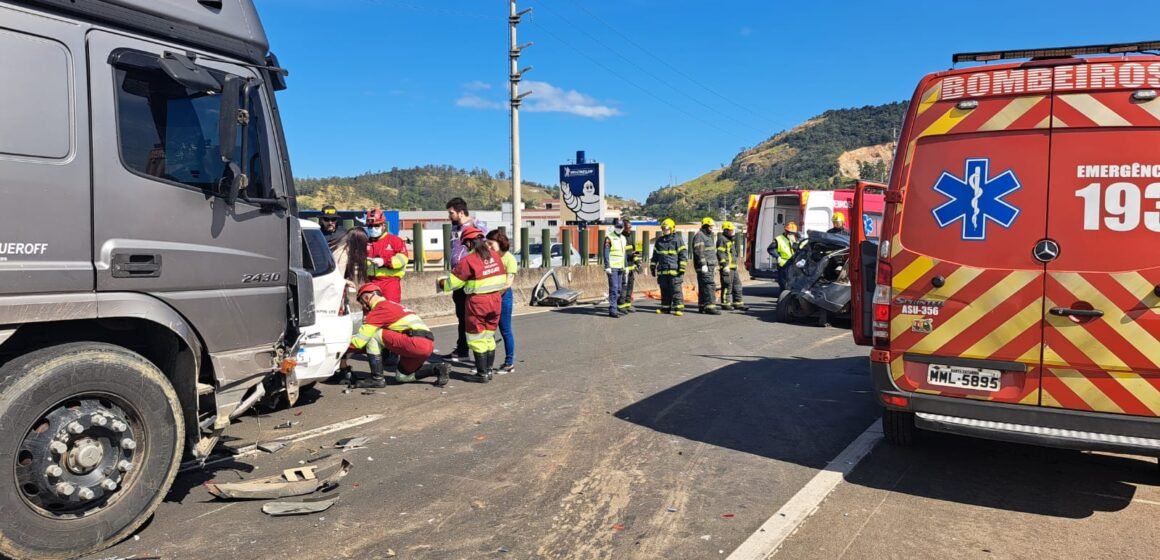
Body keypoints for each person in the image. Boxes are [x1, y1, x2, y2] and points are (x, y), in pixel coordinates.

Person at [347, 284, 450, 389]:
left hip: (415, 342)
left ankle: (377, 379)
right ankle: (438, 368)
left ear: (366, 298)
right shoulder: (394, 305)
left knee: (373, 335)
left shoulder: (379, 309)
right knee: (402, 377)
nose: (363, 307)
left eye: (361, 303)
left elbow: (359, 342)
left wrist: (339, 348)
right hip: (426, 343)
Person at [438, 226, 505, 382]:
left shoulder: (468, 260)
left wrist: (441, 283)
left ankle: (481, 374)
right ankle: (488, 371)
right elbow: (502, 278)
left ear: (468, 243)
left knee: (476, 337)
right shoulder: (495, 256)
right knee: (489, 336)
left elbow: (452, 283)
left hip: (478, 303)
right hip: (495, 301)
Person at [443, 197, 488, 363]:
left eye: (451, 213)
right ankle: (462, 348)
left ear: (461, 212)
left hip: (470, 277)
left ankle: (475, 351)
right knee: (461, 315)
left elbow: (486, 248)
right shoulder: (455, 228)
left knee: (471, 316)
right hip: (457, 275)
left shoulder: (477, 226)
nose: (449, 216)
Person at [330, 227, 369, 382]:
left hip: (338, 298)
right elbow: (335, 277)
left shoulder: (341, 249)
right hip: (335, 300)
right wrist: (346, 282)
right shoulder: (342, 253)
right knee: (343, 333)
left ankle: (342, 366)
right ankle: (342, 367)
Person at [486, 229, 517, 374]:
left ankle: (509, 362)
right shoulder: (489, 257)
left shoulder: (509, 259)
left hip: (503, 297)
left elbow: (507, 283)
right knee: (487, 331)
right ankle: (485, 364)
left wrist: (494, 295)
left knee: (505, 330)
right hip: (489, 296)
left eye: (491, 243)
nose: (488, 246)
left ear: (499, 243)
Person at [365, 208, 409, 303]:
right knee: (371, 313)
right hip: (371, 282)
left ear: (383, 225)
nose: (372, 229)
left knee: (391, 311)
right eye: (370, 226)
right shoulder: (365, 243)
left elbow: (403, 259)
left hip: (390, 282)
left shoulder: (395, 241)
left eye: (376, 226)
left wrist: (384, 262)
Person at [650, 218, 687, 316]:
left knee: (675, 290)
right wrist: (653, 267)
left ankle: (678, 308)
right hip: (662, 271)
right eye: (663, 229)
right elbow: (655, 256)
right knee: (664, 290)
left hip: (674, 271)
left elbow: (683, 254)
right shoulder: (659, 241)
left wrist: (682, 268)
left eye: (666, 229)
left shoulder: (677, 240)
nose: (664, 230)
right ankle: (665, 308)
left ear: (672, 229)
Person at [691, 217, 720, 315]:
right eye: (710, 227)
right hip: (705, 266)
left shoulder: (707, 236)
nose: (712, 229)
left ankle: (702, 306)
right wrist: (703, 264)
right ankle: (710, 307)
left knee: (704, 286)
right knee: (709, 286)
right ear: (705, 226)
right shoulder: (700, 236)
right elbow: (699, 252)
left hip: (709, 266)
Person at [716, 221, 748, 311]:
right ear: (726, 230)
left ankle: (738, 303)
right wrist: (724, 265)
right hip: (727, 268)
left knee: (737, 285)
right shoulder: (722, 239)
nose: (732, 232)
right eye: (730, 230)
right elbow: (720, 253)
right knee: (727, 285)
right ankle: (725, 303)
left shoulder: (730, 240)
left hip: (733, 267)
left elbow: (732, 254)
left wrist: (735, 265)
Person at [604, 220, 629, 318]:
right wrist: (607, 266)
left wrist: (626, 266)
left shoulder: (623, 238)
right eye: (617, 227)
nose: (619, 229)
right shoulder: (609, 237)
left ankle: (614, 306)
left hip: (621, 267)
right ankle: (613, 310)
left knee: (619, 289)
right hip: (613, 267)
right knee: (614, 288)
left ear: (623, 228)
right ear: (615, 227)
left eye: (620, 227)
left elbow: (624, 254)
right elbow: (606, 253)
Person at [617, 221, 642, 314]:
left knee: (630, 286)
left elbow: (633, 251)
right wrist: (629, 256)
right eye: (628, 227)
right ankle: (621, 304)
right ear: (623, 228)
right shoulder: (620, 238)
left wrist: (637, 262)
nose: (629, 229)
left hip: (631, 266)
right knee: (624, 286)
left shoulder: (630, 237)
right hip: (624, 266)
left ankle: (628, 303)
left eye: (630, 227)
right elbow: (621, 253)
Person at [768, 222, 800, 291]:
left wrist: (795, 243)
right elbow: (770, 249)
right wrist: (777, 257)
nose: (790, 234)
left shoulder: (796, 239)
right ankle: (783, 299)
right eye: (789, 232)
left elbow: (799, 250)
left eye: (792, 232)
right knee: (783, 284)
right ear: (785, 231)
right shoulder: (779, 239)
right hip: (784, 264)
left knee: (794, 283)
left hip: (794, 264)